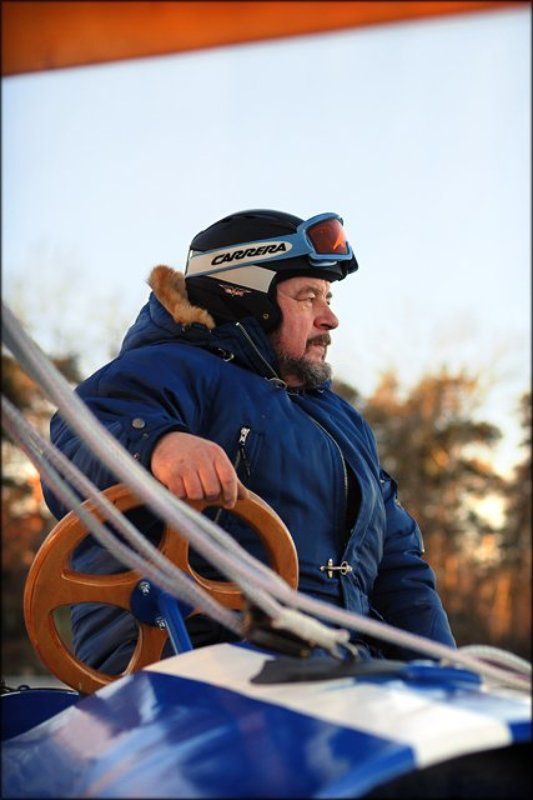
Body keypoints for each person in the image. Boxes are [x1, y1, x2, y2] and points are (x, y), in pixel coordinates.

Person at [43, 209, 455, 673]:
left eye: (328, 296)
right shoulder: (166, 369)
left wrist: (446, 674)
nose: (331, 318)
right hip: (180, 665)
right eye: (309, 297)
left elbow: (398, 566)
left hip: (332, 669)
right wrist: (158, 445)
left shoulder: (343, 422)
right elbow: (73, 447)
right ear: (246, 298)